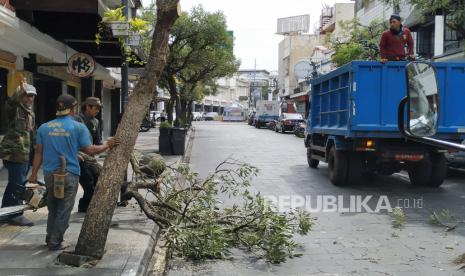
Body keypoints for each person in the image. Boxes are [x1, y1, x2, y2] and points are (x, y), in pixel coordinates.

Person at [28, 94, 120, 251]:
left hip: (50, 174)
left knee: (53, 208)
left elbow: (38, 153)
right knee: (64, 209)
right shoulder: (78, 127)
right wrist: (108, 144)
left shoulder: (44, 127)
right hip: (68, 175)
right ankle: (55, 242)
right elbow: (90, 150)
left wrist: (34, 174)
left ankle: (50, 237)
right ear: (73, 108)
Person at [0, 78, 37, 226]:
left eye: (32, 95)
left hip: (25, 154)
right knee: (18, 186)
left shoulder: (30, 114)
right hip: (14, 153)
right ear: (21, 95)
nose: (30, 98)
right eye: (27, 95)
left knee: (15, 183)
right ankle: (16, 215)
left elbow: (31, 133)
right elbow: (11, 101)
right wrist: (20, 89)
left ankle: (5, 212)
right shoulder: (14, 109)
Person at [74, 97, 102, 212]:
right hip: (78, 158)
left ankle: (86, 207)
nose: (98, 111)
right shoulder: (76, 120)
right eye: (96, 108)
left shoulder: (96, 122)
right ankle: (84, 207)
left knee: (97, 181)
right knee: (88, 183)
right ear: (88, 107)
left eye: (99, 108)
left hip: (90, 158)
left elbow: (98, 141)